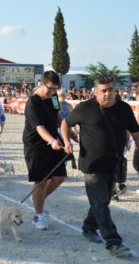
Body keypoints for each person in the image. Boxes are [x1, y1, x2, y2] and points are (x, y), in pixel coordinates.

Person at [61, 75, 139, 259]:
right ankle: (114, 243)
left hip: (114, 164)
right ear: (95, 92)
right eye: (103, 90)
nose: (108, 94)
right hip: (92, 165)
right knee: (101, 203)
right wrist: (66, 141)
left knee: (102, 201)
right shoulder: (84, 108)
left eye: (111, 89)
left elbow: (135, 131)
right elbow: (65, 123)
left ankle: (89, 227)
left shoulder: (124, 108)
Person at [23, 70, 66, 230]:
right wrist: (53, 140)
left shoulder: (54, 98)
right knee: (40, 182)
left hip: (53, 140)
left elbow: (57, 115)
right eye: (50, 88)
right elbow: (40, 128)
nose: (53, 92)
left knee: (59, 177)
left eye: (55, 89)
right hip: (36, 145)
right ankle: (38, 216)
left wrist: (68, 130)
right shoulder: (32, 102)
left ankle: (37, 199)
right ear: (41, 83)